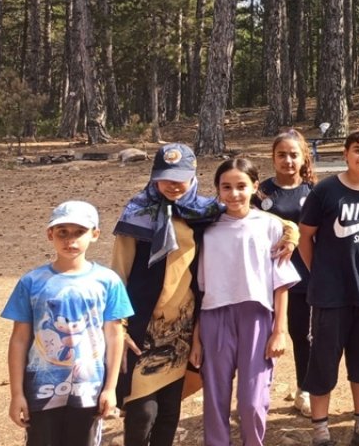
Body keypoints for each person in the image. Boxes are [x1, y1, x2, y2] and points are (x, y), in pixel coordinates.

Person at [112, 144, 225, 446]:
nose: (173, 185)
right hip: (141, 326)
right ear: (153, 177)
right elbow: (118, 272)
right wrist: (118, 323)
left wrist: (289, 231)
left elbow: (253, 219)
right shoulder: (137, 213)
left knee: (169, 413)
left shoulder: (205, 212)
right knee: (141, 413)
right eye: (165, 178)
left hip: (182, 329)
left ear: (193, 176)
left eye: (180, 178)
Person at [3, 200, 133, 446]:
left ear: (94, 235)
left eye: (79, 232)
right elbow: (19, 339)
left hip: (89, 390)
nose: (70, 240)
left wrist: (110, 388)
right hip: (41, 389)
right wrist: (17, 394)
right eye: (62, 232)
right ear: (50, 234)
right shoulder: (31, 282)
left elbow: (114, 336)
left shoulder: (107, 281)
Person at [191, 158, 300, 446]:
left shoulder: (271, 226)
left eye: (241, 186)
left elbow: (281, 283)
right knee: (215, 399)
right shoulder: (206, 230)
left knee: (252, 401)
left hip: (257, 317)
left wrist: (280, 330)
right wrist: (196, 339)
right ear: (217, 190)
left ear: (255, 186)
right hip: (214, 317)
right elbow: (199, 288)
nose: (234, 194)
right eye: (226, 187)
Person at [297, 129, 359, 446]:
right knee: (324, 362)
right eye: (358, 150)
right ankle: (321, 433)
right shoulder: (325, 191)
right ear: (345, 153)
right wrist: (320, 273)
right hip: (330, 294)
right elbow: (305, 236)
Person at [256, 130, 316, 418]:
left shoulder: (313, 191)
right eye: (282, 154)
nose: (288, 160)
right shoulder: (260, 191)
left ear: (304, 157)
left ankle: (304, 390)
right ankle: (257, 392)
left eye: (294, 154)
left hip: (303, 274)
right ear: (273, 157)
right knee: (262, 334)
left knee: (302, 334)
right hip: (265, 275)